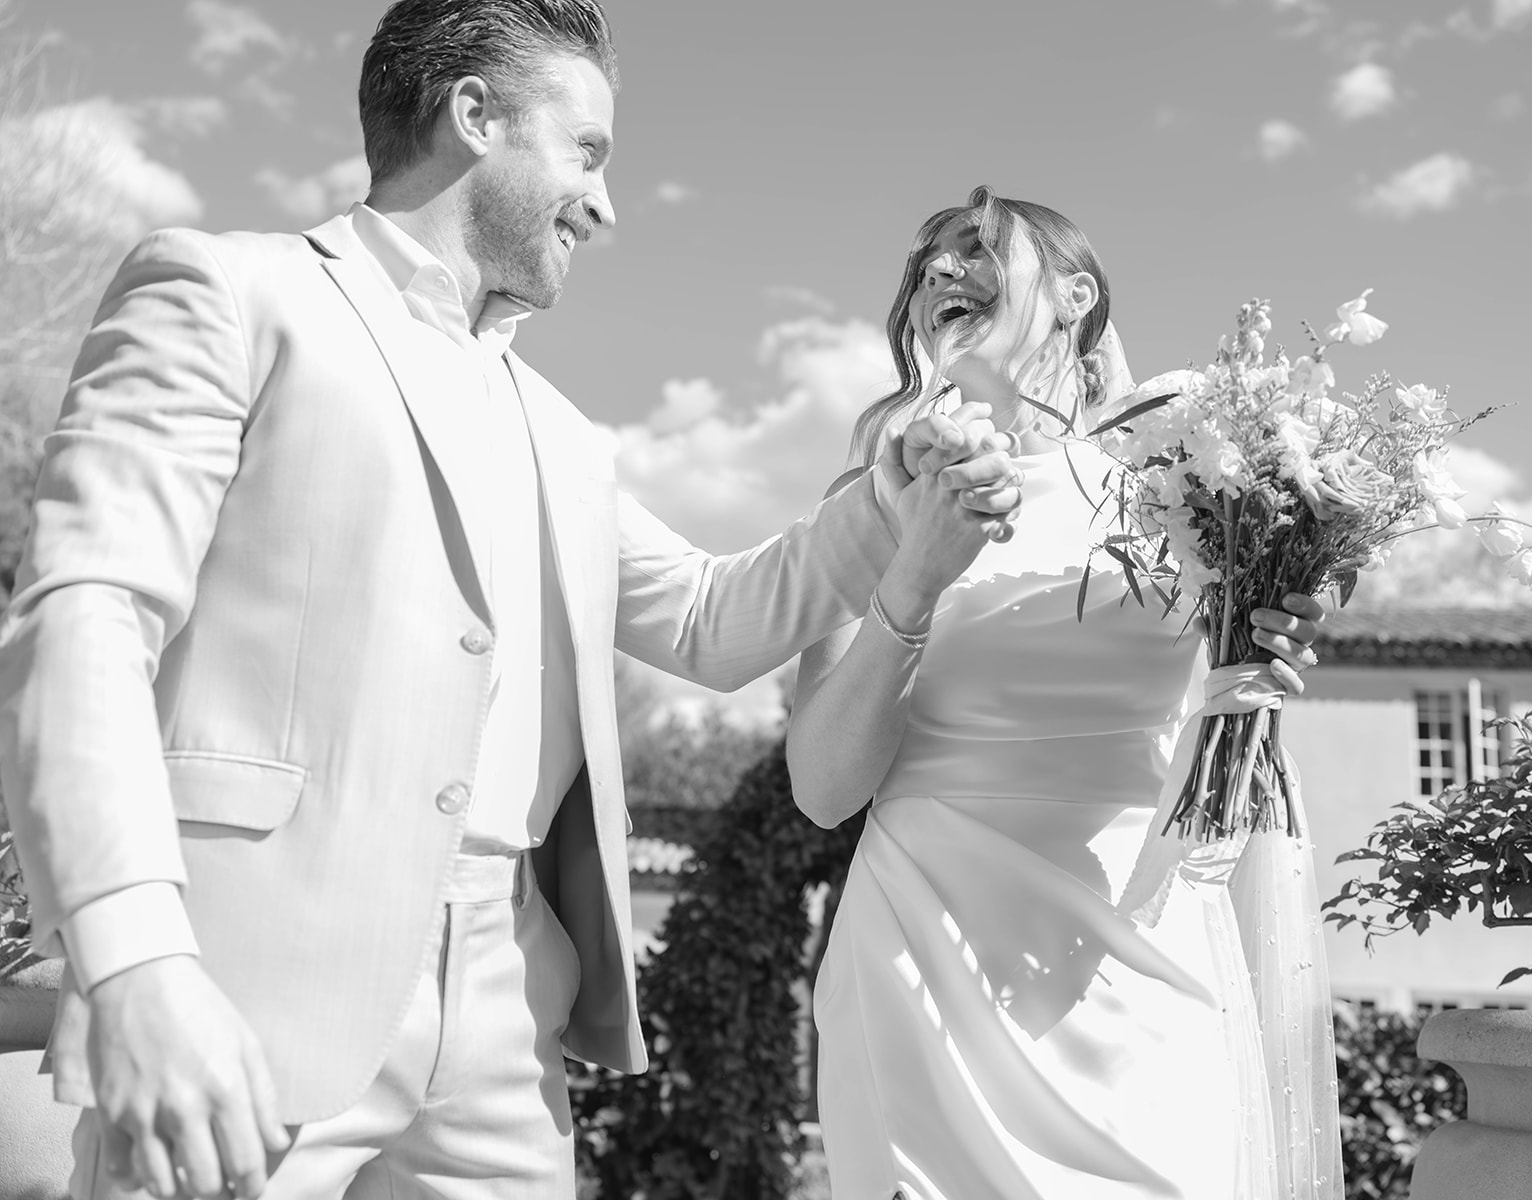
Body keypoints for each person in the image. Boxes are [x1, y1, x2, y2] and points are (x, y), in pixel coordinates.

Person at [0, 5, 1023, 1198]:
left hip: (508, 1009)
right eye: (586, 152)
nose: (605, 202)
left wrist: (887, 497)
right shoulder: (227, 292)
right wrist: (131, 960)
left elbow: (709, 620)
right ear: (474, 115)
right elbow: (85, 616)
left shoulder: (566, 436)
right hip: (241, 981)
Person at [789, 186, 1344, 1200]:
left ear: (1077, 294)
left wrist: (1266, 641)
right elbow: (823, 786)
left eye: (973, 246)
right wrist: (911, 576)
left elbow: (1226, 709)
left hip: (1137, 958)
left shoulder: (1192, 488)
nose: (938, 273)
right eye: (922, 266)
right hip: (919, 961)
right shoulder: (867, 499)